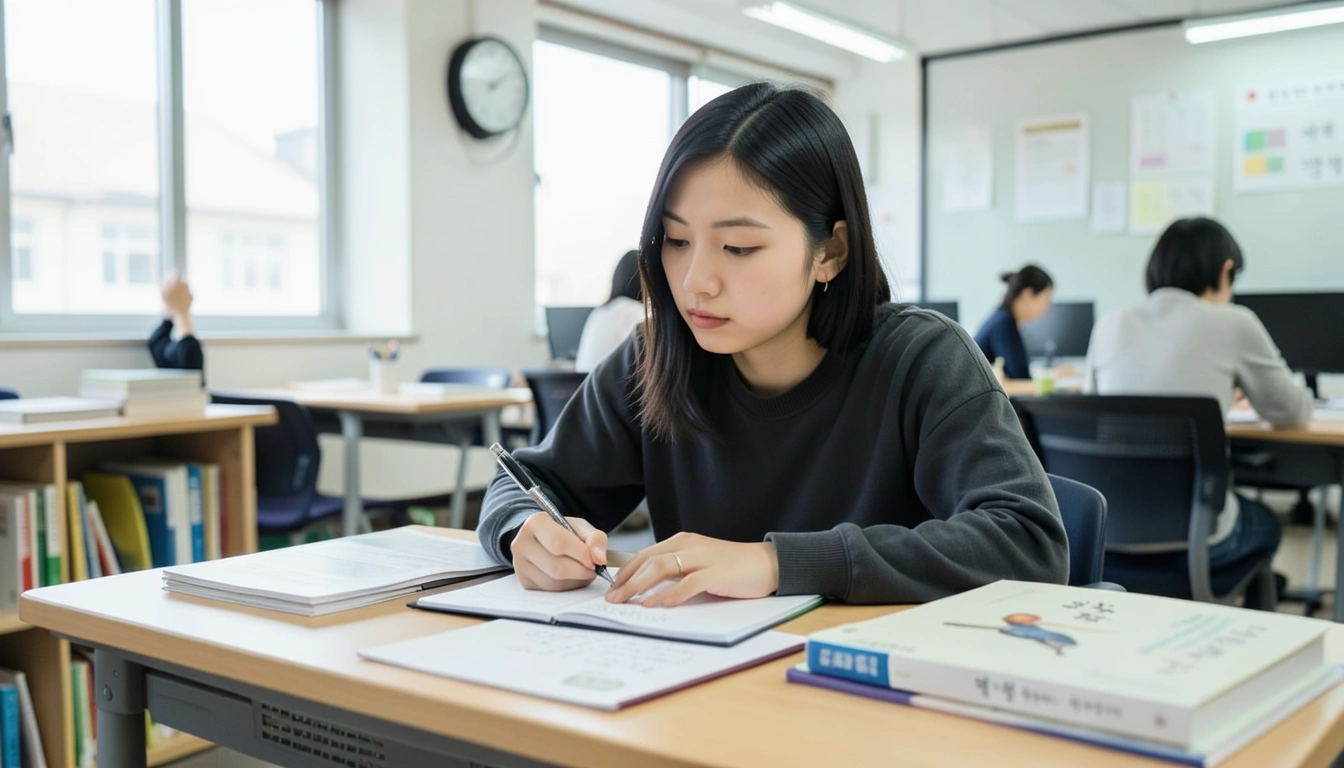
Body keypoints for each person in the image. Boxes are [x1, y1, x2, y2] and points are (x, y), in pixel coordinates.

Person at [478, 82, 1067, 607]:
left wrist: (777, 563)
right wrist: (525, 530)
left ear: (830, 251)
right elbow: (522, 483)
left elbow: (1029, 542)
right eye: (676, 240)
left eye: (737, 248)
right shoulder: (655, 356)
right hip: (700, 686)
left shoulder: (922, 360)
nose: (693, 281)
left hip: (873, 696)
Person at [1085, 216, 1311, 570]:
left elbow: (1091, 421)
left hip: (1106, 534)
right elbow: (1292, 412)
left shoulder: (1108, 324)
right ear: (1226, 270)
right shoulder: (1234, 321)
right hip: (1198, 540)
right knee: (1265, 523)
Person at [973, 265, 1053, 381]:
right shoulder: (1003, 324)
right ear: (1028, 294)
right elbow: (1019, 378)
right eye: (1046, 299)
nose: (1047, 306)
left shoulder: (1005, 319)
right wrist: (1053, 376)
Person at [574, 249, 644, 373]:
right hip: (607, 390)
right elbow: (650, 356)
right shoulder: (631, 311)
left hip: (587, 388)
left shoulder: (600, 312)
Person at [148, 269, 204, 373]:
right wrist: (173, 309)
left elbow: (190, 361)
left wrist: (181, 313)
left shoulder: (188, 348)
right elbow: (156, 341)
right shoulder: (163, 346)